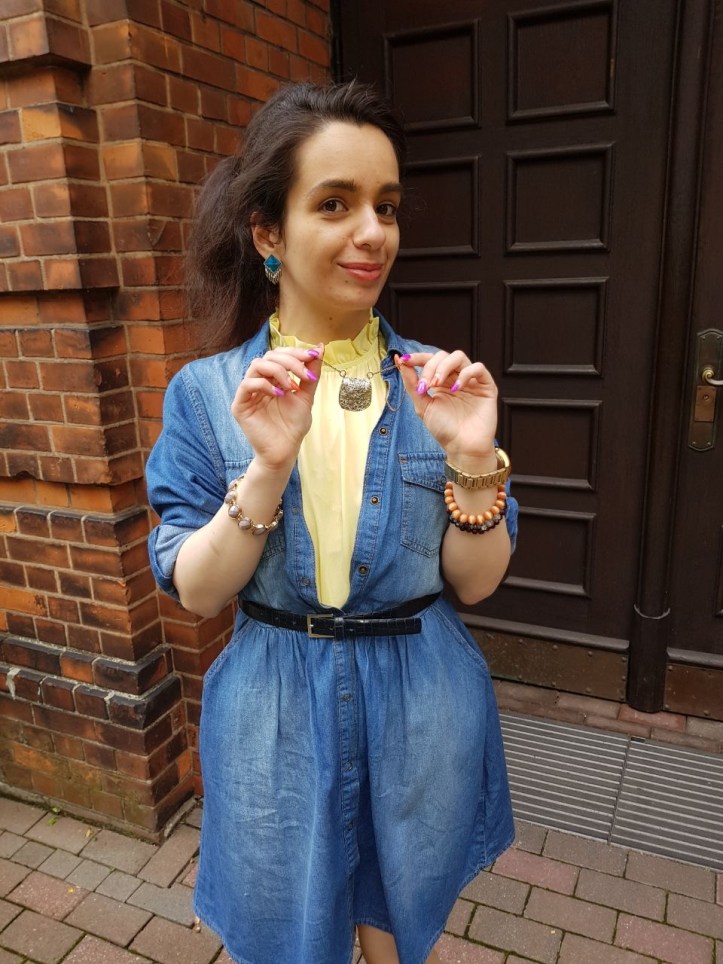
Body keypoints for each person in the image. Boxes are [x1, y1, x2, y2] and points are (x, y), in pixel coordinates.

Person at [145, 80, 518, 964]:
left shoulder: (441, 384)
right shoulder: (207, 398)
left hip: (420, 702)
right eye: (335, 203)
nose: (372, 233)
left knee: (396, 941)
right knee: (282, 941)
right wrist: (268, 466)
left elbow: (476, 580)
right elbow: (197, 591)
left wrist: (471, 460)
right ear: (267, 232)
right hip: (274, 708)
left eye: (384, 206)